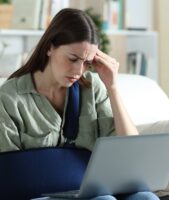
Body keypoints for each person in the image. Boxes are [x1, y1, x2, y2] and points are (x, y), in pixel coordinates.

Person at [0, 8, 159, 200]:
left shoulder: (93, 88)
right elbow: (10, 175)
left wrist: (113, 87)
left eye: (87, 63)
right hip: (36, 194)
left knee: (145, 197)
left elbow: (131, 152)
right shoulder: (9, 98)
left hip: (91, 189)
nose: (78, 70)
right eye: (73, 59)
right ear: (50, 47)